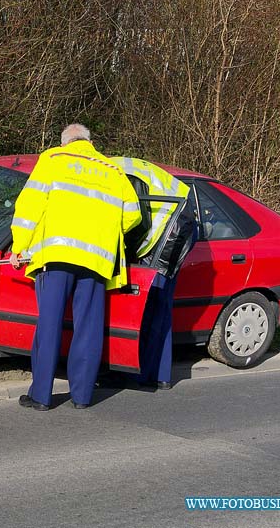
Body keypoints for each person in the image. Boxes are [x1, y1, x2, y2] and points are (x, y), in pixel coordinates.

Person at [9, 124, 142, 410]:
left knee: (49, 325)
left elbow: (29, 205)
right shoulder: (114, 170)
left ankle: (41, 396)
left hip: (56, 257)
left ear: (66, 142)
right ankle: (82, 397)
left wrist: (19, 245)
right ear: (89, 142)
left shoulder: (53, 160)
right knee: (89, 328)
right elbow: (133, 215)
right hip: (96, 260)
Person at [112, 158, 197, 390]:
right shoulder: (120, 167)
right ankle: (161, 375)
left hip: (170, 231)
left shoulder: (115, 175)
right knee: (160, 307)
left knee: (150, 305)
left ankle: (143, 376)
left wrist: (124, 254)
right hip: (179, 220)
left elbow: (137, 222)